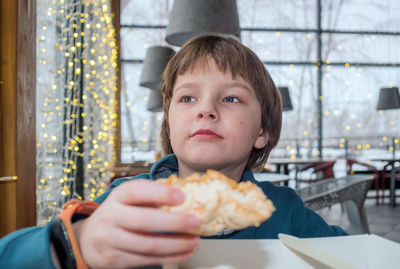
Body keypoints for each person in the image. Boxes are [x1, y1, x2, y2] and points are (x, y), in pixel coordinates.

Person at [0, 35, 346, 269]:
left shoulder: (284, 209)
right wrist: (77, 241)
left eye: (231, 98)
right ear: (169, 125)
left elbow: (357, 254)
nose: (206, 110)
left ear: (263, 131)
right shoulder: (130, 201)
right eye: (187, 98)